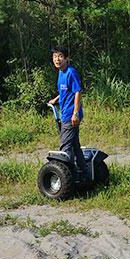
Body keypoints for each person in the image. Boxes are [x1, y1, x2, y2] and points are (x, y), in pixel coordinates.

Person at [47, 46, 88, 180]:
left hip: (70, 116)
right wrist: (56, 99)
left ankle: (67, 178)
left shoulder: (71, 72)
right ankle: (84, 174)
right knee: (75, 146)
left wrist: (75, 113)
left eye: (60, 56)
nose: (57, 59)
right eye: (55, 57)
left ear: (66, 58)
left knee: (65, 146)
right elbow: (65, 90)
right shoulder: (61, 72)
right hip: (64, 113)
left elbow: (77, 91)